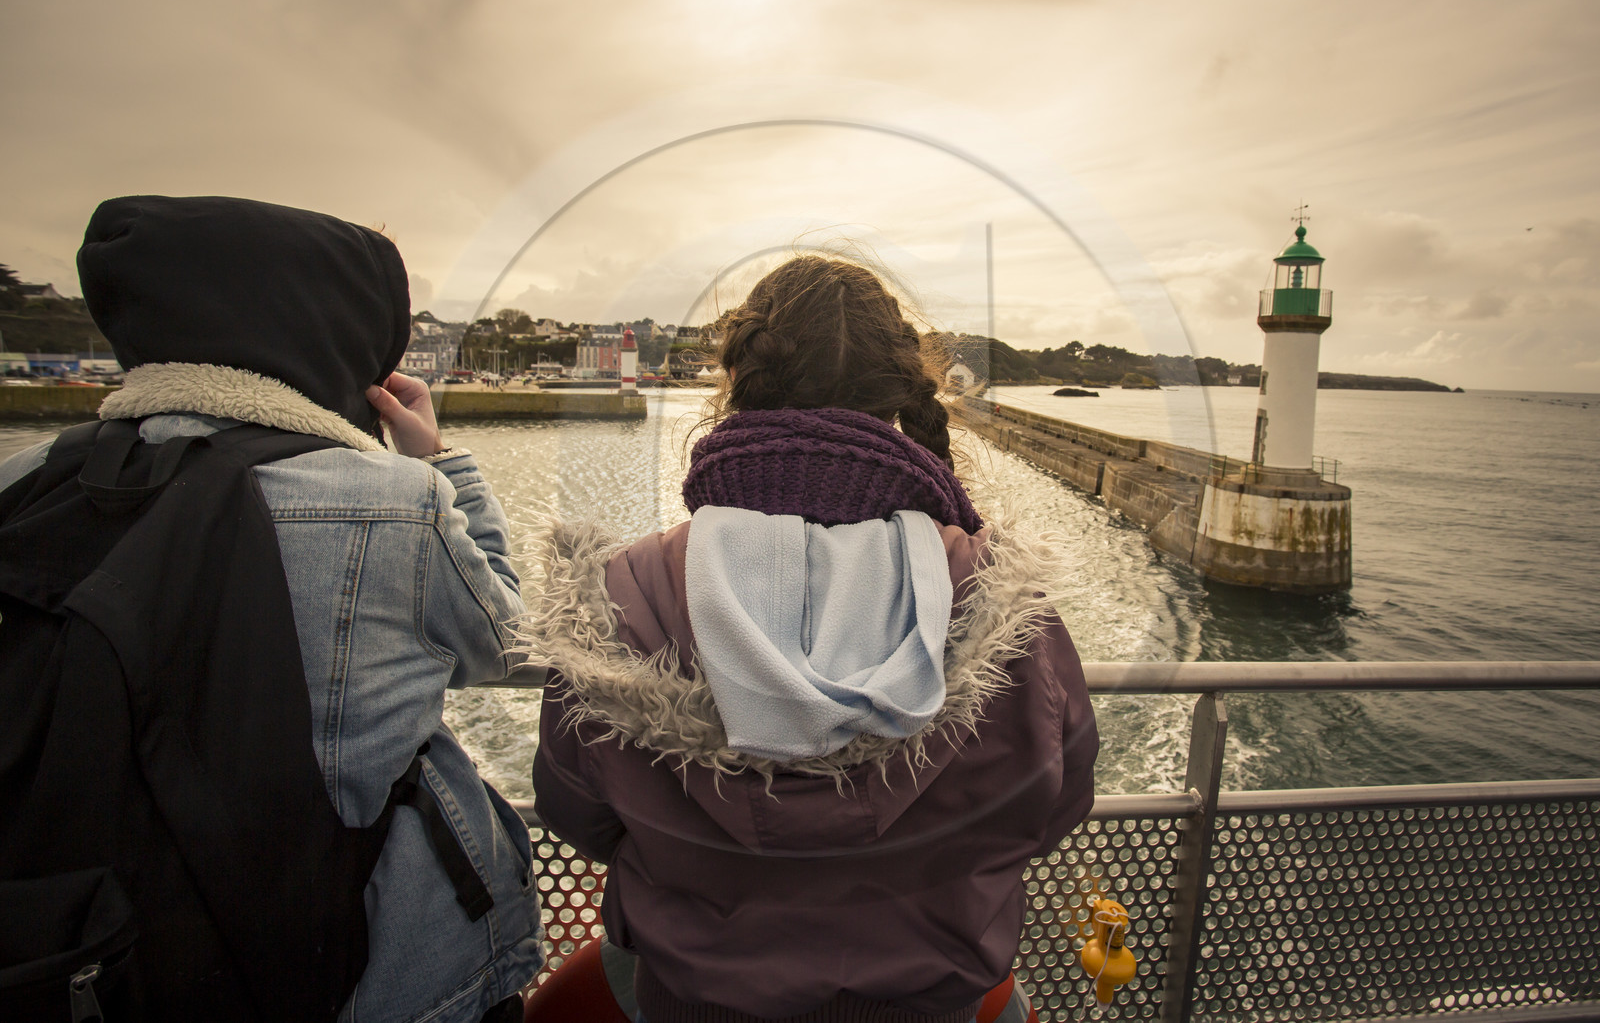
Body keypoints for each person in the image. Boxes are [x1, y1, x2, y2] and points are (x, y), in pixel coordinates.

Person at [0, 195, 542, 1022]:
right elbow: (504, 641)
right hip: (374, 975)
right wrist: (443, 465)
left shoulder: (30, 481)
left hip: (96, 953)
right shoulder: (396, 502)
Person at [527, 256, 1099, 1023]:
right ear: (904, 391)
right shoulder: (999, 599)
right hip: (934, 1000)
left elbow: (576, 811)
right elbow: (1054, 799)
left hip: (695, 998)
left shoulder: (623, 591)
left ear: (733, 381)